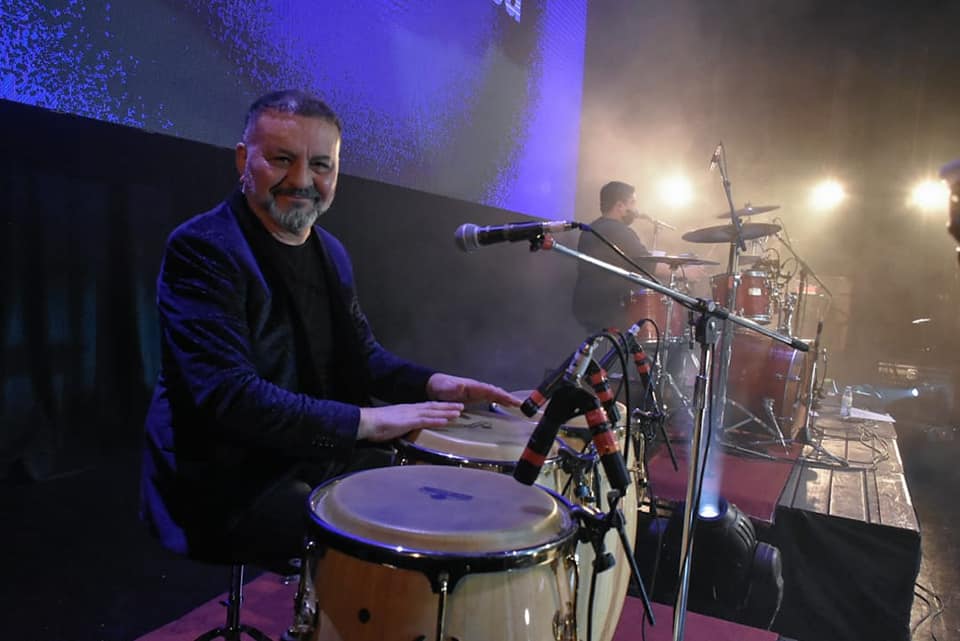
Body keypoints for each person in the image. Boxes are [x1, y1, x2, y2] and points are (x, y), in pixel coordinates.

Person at [140, 89, 519, 569]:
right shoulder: (204, 248)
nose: (301, 180)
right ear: (242, 158)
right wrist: (369, 421)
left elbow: (363, 354)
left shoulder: (331, 251)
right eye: (281, 159)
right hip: (224, 472)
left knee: (447, 505)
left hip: (305, 450)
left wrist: (435, 384)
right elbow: (229, 398)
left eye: (321, 165)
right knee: (381, 544)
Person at [572, 180, 651, 333]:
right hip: (610, 307)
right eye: (632, 203)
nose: (636, 209)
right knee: (643, 330)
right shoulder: (620, 231)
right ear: (620, 206)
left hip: (584, 304)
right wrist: (684, 271)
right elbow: (647, 264)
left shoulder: (591, 229)